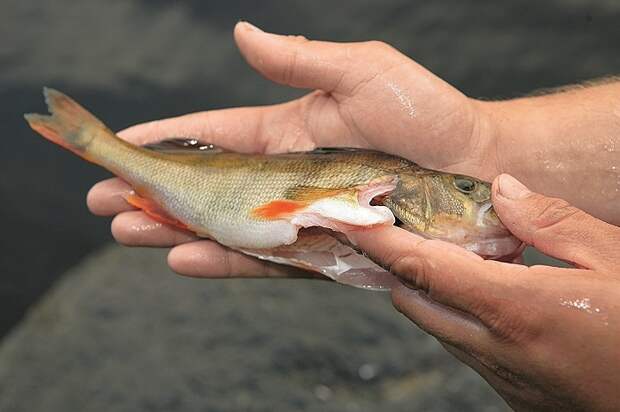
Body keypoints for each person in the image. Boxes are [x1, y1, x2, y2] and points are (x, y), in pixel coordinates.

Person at [87, 22, 620, 410]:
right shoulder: (377, 191)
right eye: (463, 187)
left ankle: (103, 147)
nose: (486, 198)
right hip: (206, 187)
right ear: (402, 193)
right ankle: (99, 146)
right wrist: (495, 140)